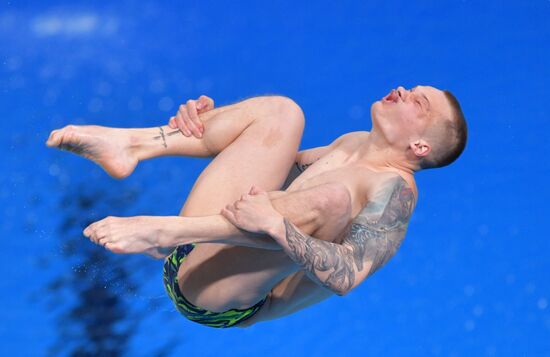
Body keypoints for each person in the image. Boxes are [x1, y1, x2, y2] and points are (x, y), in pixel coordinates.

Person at [45, 85, 467, 328]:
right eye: (413, 89)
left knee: (334, 201)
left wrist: (277, 226)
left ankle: (165, 231)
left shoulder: (396, 192)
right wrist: (214, 123)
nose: (404, 91)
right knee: (281, 113)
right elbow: (270, 177)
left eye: (418, 103)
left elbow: (347, 275)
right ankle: (134, 144)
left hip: (219, 299)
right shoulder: (354, 142)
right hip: (200, 249)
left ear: (419, 146)